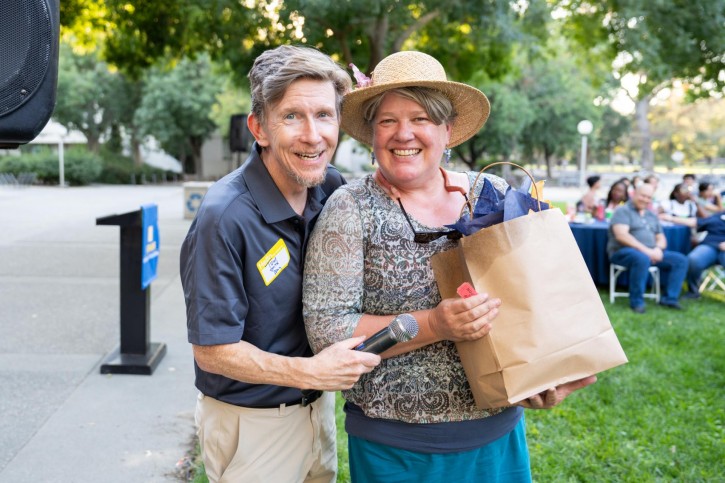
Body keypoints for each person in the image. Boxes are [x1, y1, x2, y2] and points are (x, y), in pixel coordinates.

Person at [302, 51, 595, 482]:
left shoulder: (491, 191)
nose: (404, 134)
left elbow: (540, 294)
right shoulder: (350, 208)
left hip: (497, 436)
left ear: (448, 130)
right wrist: (434, 324)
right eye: (388, 121)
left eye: (420, 118)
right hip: (398, 448)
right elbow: (327, 331)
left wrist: (551, 373)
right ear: (372, 135)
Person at [180, 45, 381, 483]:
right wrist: (310, 371)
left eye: (325, 115)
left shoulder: (329, 185)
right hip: (251, 425)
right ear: (260, 128)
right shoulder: (224, 216)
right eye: (292, 116)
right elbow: (212, 351)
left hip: (316, 407)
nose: (313, 135)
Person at [607, 183, 688, 313]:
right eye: (643, 196)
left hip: (650, 252)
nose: (645, 199)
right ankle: (637, 302)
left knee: (680, 260)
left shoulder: (651, 215)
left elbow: (661, 238)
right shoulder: (623, 211)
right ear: (634, 194)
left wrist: (657, 250)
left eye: (649, 197)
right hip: (623, 252)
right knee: (641, 258)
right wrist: (647, 251)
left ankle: (670, 298)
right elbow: (621, 235)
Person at [660, 211, 725, 299]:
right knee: (693, 259)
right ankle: (693, 291)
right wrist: (670, 218)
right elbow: (697, 222)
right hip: (711, 245)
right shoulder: (720, 215)